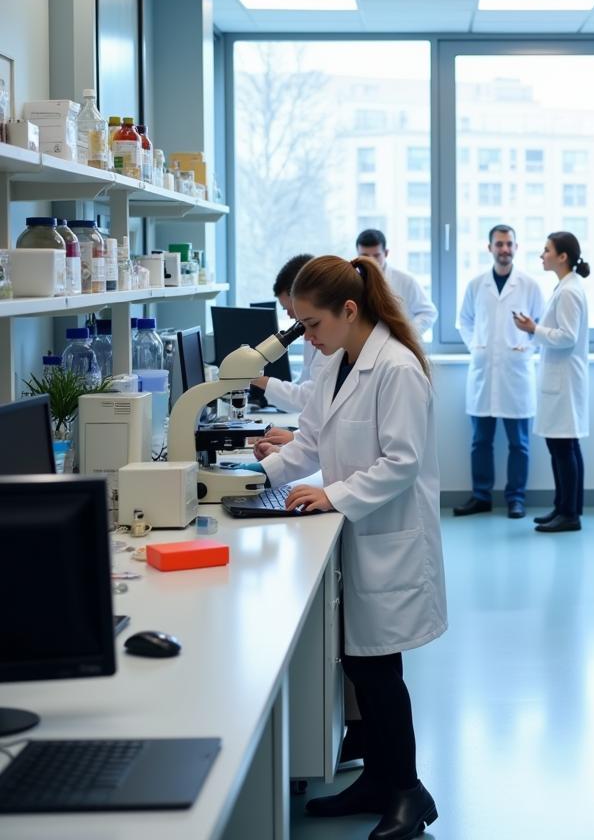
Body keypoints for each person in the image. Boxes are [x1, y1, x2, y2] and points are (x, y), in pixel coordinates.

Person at [257, 255, 446, 836]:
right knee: (362, 669)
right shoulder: (339, 360)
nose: (306, 336)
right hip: (357, 534)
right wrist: (251, 481)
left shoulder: (397, 368)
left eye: (312, 323)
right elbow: (308, 443)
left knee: (380, 671)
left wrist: (331, 495)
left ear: (348, 310)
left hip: (390, 538)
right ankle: (377, 783)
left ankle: (411, 795)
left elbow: (402, 462)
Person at [455, 224, 544, 519]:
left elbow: (541, 326)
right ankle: (481, 496)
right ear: (489, 247)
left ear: (516, 248)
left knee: (519, 443)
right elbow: (464, 321)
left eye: (509, 244)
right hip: (483, 370)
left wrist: (528, 349)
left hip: (516, 372)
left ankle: (516, 498)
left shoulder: (529, 285)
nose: (504, 249)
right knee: (480, 441)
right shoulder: (476, 284)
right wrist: (475, 346)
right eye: (499, 244)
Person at [513, 232, 590, 534]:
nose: (541, 255)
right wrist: (536, 330)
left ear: (563, 256)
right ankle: (564, 507)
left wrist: (534, 329)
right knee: (564, 447)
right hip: (561, 378)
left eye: (546, 250)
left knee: (563, 449)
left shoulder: (569, 291)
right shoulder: (565, 287)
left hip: (565, 379)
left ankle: (569, 514)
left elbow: (567, 337)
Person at [249, 253, 324, 416]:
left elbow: (310, 398)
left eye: (288, 308)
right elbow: (306, 387)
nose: (289, 315)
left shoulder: (329, 339)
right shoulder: (311, 334)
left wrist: (255, 378)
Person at [356, 228, 438, 337]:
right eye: (365, 256)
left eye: (376, 255)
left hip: (397, 345)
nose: (371, 261)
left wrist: (405, 333)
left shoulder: (406, 280)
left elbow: (428, 313)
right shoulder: (351, 281)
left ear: (386, 253)